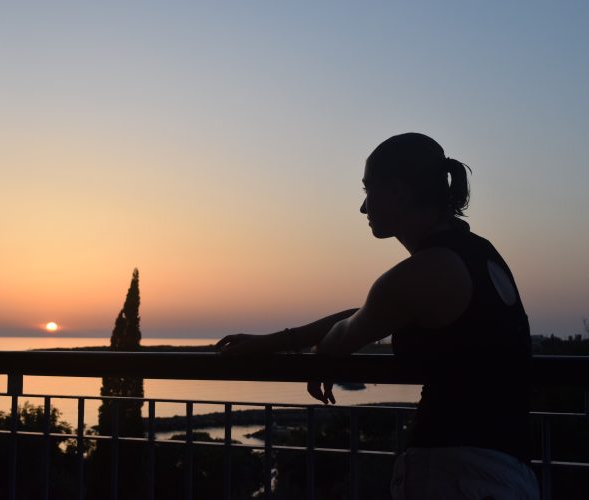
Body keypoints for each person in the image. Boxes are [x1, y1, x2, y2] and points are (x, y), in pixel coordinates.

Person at [216, 133, 539, 499]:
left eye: (368, 189)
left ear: (398, 192)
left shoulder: (425, 270)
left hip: (457, 475)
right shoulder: (476, 254)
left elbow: (343, 336)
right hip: (507, 473)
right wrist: (278, 341)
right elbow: (374, 312)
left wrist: (322, 354)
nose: (363, 207)